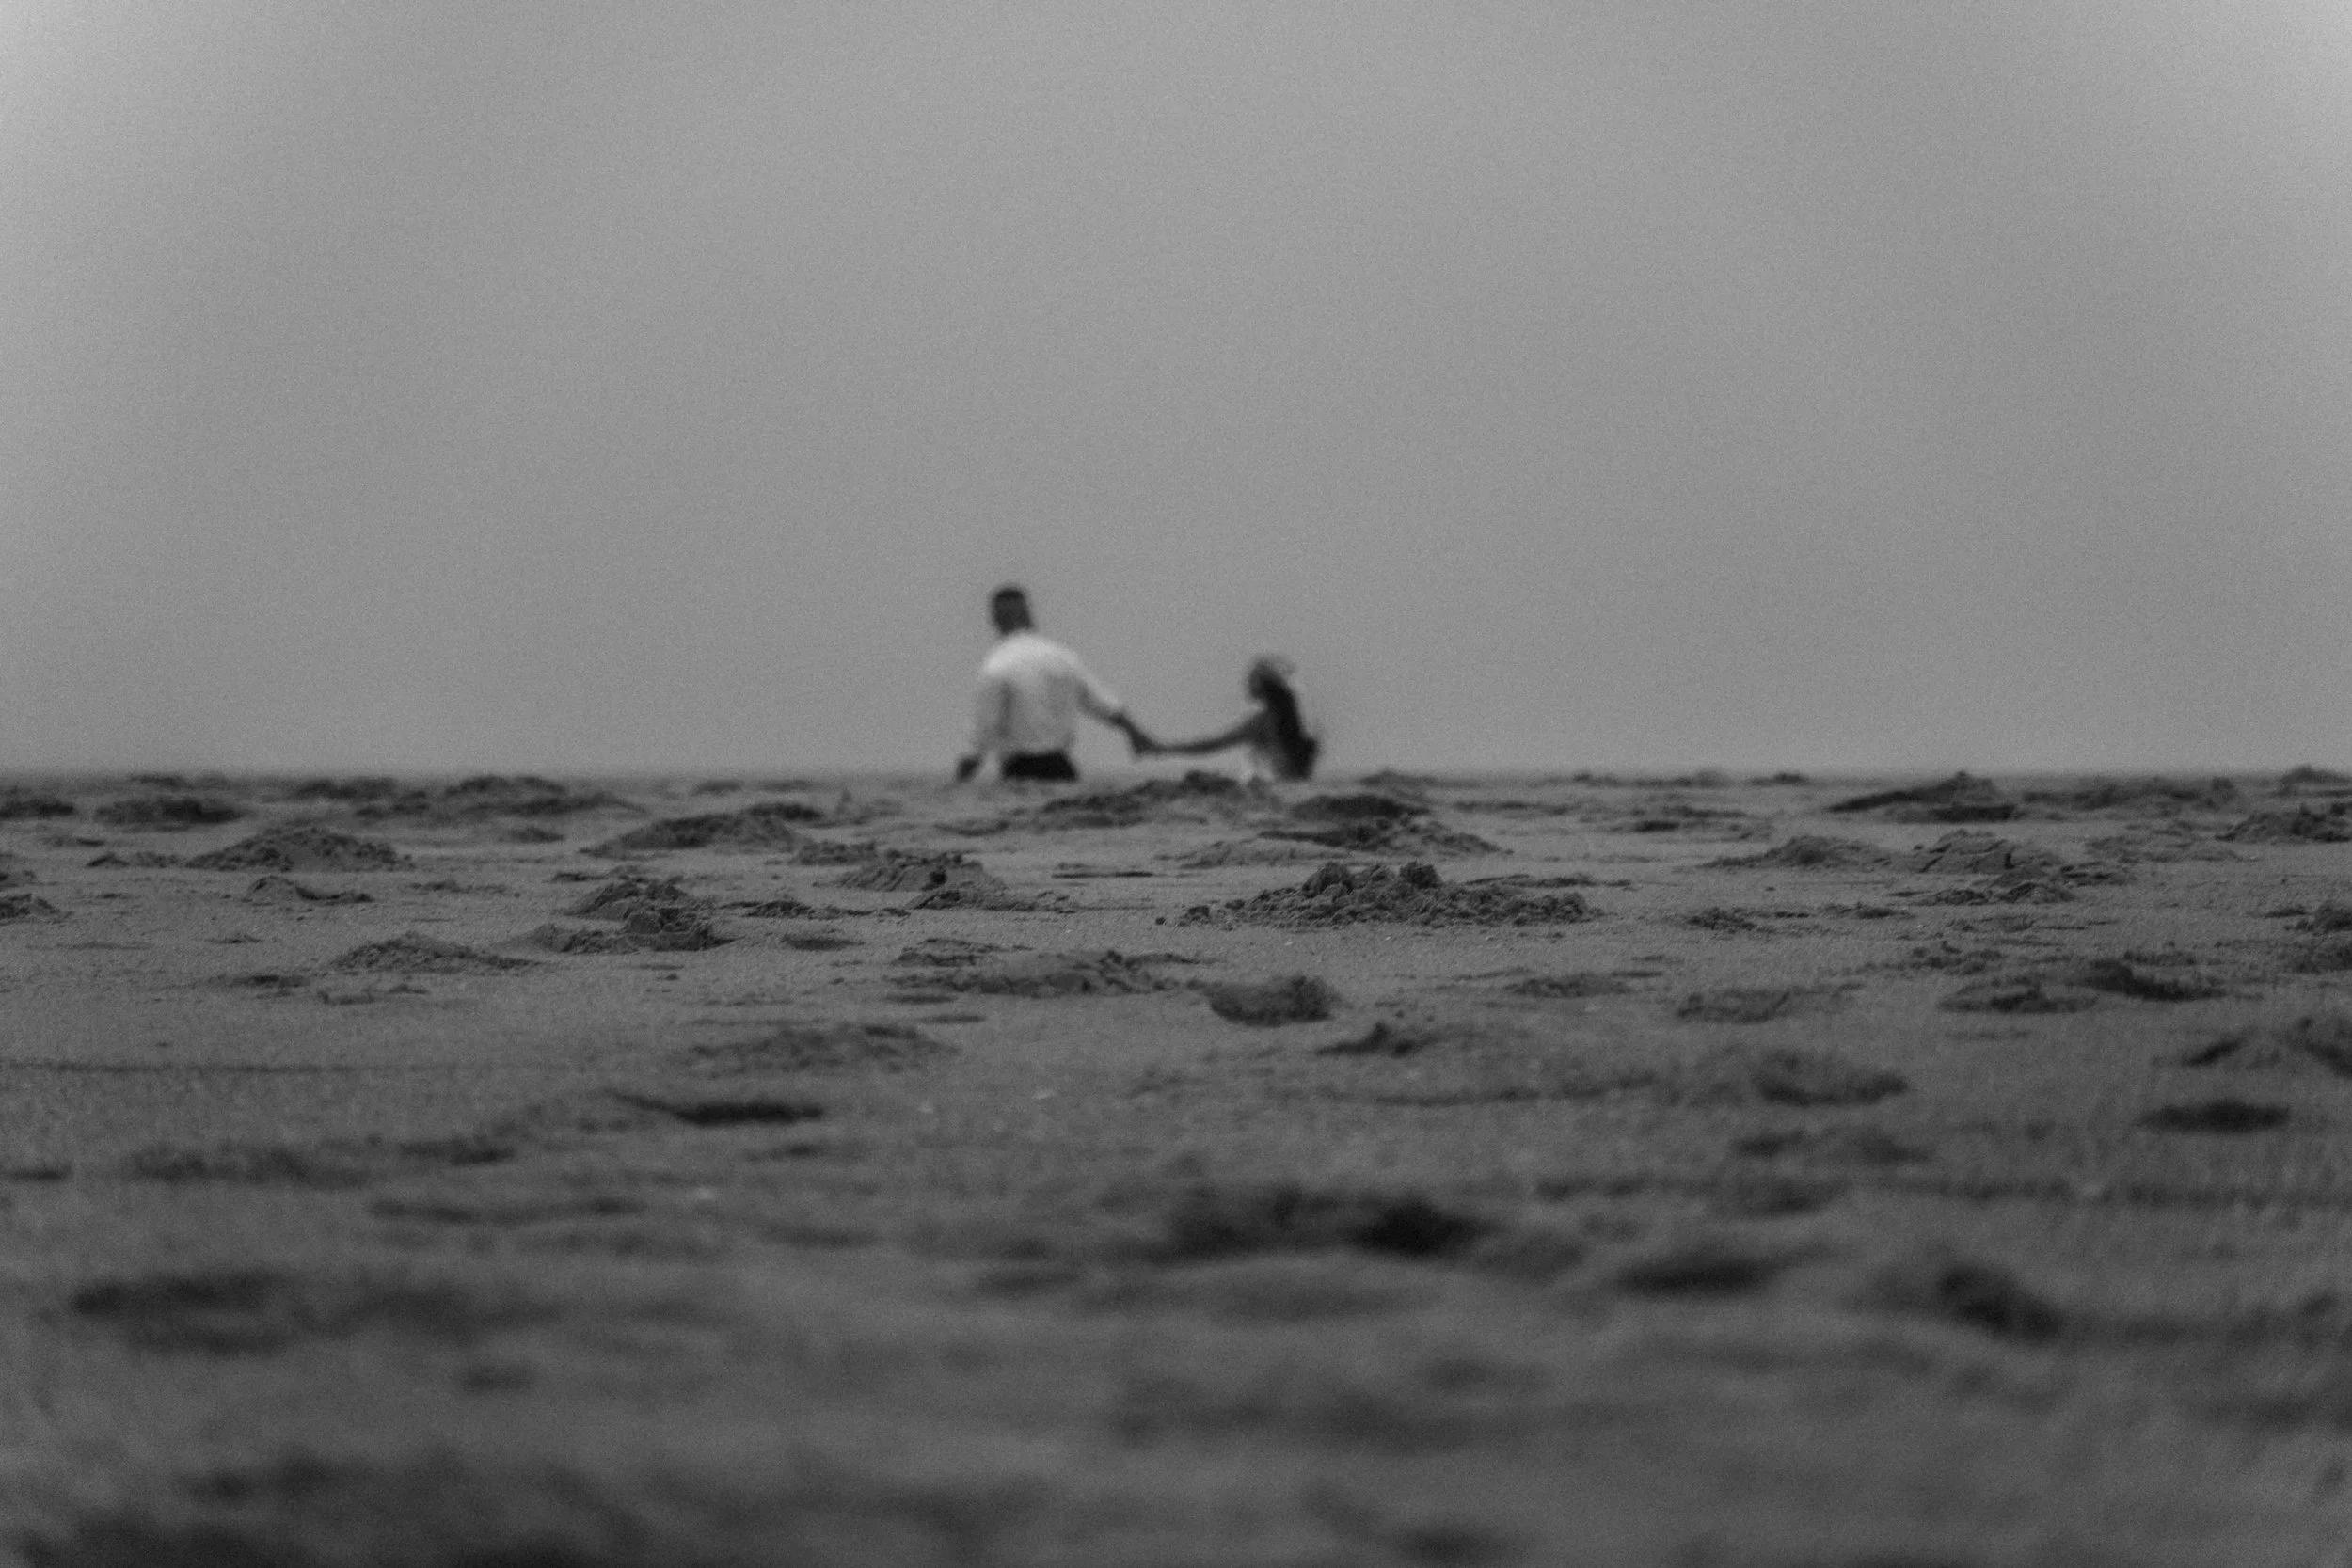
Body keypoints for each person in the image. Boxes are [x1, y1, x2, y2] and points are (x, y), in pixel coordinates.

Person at [955, 585, 1152, 783]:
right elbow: (1104, 704)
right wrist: (1136, 734)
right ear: (1029, 614)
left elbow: (981, 733)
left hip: (1020, 773)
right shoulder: (1063, 657)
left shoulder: (996, 666)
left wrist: (959, 784)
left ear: (995, 618)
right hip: (1063, 771)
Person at [1136, 656, 1319, 782]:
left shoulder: (1263, 722)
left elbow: (1211, 745)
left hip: (1275, 794)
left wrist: (1163, 748)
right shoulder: (1307, 722)